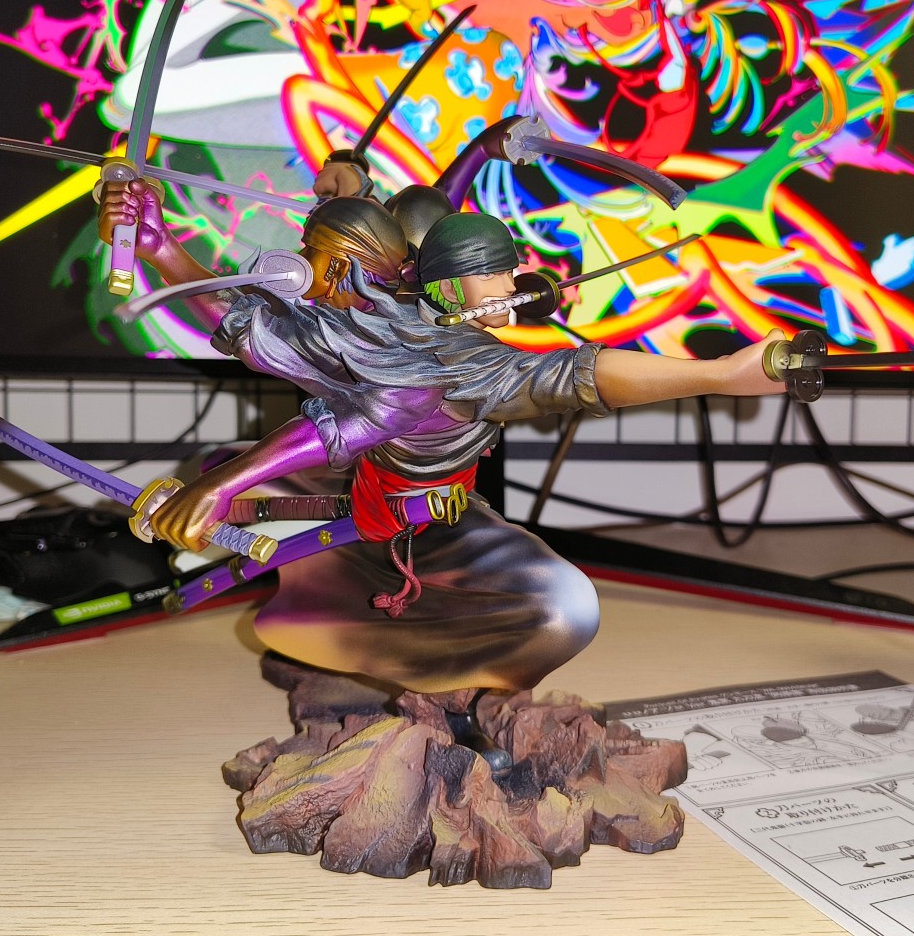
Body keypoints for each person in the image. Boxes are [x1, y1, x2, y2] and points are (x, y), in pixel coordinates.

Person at [106, 193, 782, 693]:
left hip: (442, 529)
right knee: (231, 479)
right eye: (494, 277)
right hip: (363, 502)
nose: (508, 289)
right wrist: (160, 246)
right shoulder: (361, 323)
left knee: (560, 610)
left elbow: (586, 373)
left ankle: (442, 689)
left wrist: (718, 375)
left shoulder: (467, 364)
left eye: (508, 274)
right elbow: (241, 321)